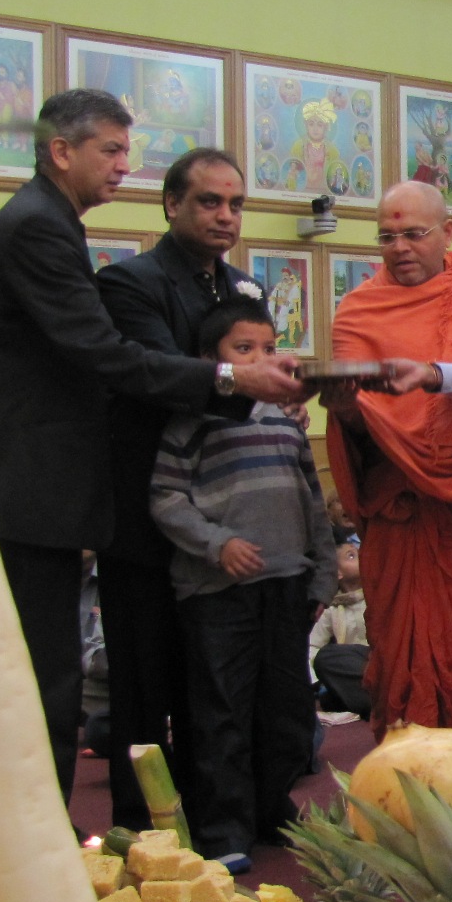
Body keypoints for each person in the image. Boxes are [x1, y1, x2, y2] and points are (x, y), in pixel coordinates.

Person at [0, 89, 304, 797]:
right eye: (111, 151)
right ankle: (41, 843)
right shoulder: (39, 227)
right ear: (62, 151)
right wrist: (230, 376)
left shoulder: (50, 220)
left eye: (127, 150)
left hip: (51, 481)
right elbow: (105, 354)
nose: (125, 166)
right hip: (36, 479)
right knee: (45, 673)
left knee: (56, 667)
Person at [322, 181, 452, 736]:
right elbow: (358, 427)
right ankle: (405, 787)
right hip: (401, 508)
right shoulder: (357, 312)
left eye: (415, 234)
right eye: (388, 237)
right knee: (399, 649)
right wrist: (346, 413)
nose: (401, 247)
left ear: (448, 234)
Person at [94, 147, 260, 831]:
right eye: (209, 202)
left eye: (236, 204)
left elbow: (242, 388)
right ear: (171, 204)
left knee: (212, 678)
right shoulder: (129, 283)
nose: (226, 217)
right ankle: (139, 829)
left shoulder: (245, 289)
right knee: (143, 681)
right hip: (144, 510)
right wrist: (238, 377)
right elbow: (159, 376)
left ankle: (215, 817)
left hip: (223, 511)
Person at [149, 299, 336, 870]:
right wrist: (217, 544)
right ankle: (222, 828)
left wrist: (322, 570)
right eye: (244, 349)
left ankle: (269, 809)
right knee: (221, 712)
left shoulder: (286, 421)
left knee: (285, 711)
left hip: (286, 586)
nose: (263, 359)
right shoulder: (192, 422)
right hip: (218, 594)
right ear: (212, 361)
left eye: (270, 347)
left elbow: (312, 500)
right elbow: (165, 497)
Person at [309, 541, 369, 721]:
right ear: (338, 573)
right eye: (351, 555)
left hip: (383, 663)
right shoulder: (333, 607)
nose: (360, 556)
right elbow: (312, 645)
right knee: (327, 658)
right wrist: (316, 683)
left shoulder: (378, 592)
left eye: (359, 551)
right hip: (355, 670)